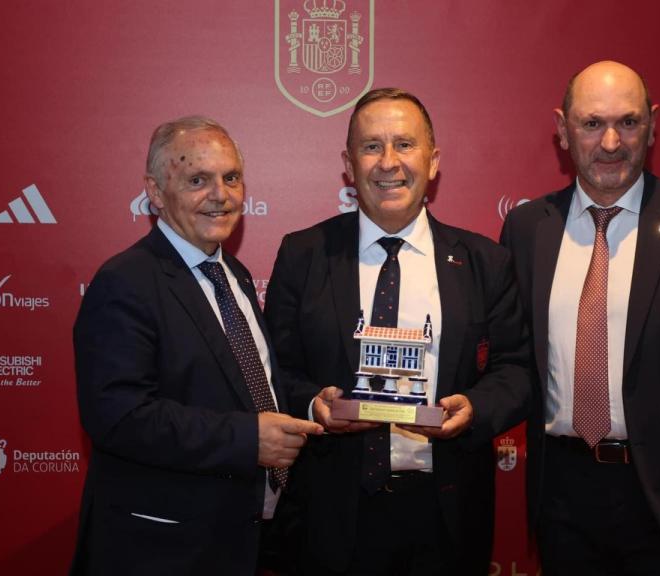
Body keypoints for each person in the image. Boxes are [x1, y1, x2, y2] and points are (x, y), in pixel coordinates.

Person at [500, 60, 660, 575]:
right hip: (563, 499)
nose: (612, 143)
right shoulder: (527, 229)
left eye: (629, 122)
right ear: (561, 129)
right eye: (592, 123)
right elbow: (511, 360)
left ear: (653, 123)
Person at [265, 88, 532, 575]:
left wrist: (475, 409)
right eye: (371, 147)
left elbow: (515, 370)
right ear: (348, 164)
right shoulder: (303, 255)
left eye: (405, 145)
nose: (389, 162)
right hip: (332, 515)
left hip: (445, 514)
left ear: (433, 162)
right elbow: (274, 370)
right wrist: (312, 404)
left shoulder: (484, 262)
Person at [70, 116, 323, 575]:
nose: (220, 195)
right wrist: (248, 439)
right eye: (197, 180)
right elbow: (118, 416)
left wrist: (309, 405)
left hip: (238, 539)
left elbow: (249, 382)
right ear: (154, 190)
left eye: (231, 178)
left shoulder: (233, 275)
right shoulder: (125, 281)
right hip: (162, 549)